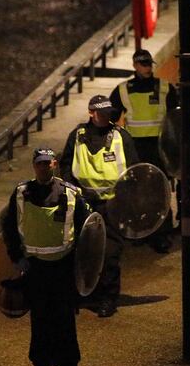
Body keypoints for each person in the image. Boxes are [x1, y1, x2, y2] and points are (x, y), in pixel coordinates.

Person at [2, 147, 91, 366]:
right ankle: (41, 364)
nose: (43, 167)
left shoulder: (71, 194)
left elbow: (87, 230)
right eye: (39, 164)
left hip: (63, 266)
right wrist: (16, 258)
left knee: (63, 319)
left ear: (55, 165)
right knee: (40, 318)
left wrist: (82, 268)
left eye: (47, 163)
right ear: (34, 166)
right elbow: (9, 226)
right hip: (35, 267)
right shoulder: (21, 193)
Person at [60, 94, 140, 317]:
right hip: (82, 202)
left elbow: (133, 169)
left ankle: (108, 298)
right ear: (91, 113)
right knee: (79, 250)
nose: (105, 117)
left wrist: (126, 201)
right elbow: (66, 165)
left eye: (108, 113)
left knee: (110, 253)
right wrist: (74, 191)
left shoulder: (120, 136)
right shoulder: (77, 135)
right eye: (101, 113)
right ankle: (82, 294)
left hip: (112, 204)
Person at [109, 48, 177, 253]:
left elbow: (176, 117)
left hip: (159, 147)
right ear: (135, 65)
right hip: (134, 148)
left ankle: (162, 233)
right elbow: (111, 117)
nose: (147, 67)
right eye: (143, 64)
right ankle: (141, 231)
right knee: (135, 192)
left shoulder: (166, 88)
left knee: (160, 190)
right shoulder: (122, 90)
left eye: (149, 64)